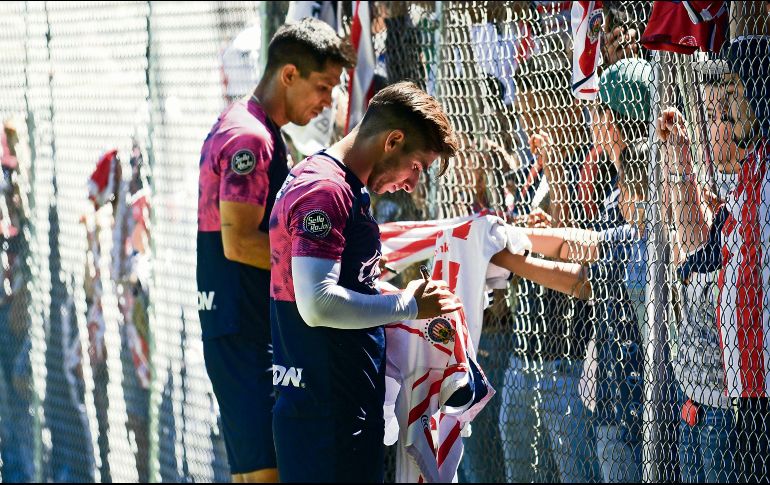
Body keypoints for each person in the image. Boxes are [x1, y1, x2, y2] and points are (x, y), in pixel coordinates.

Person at [268, 81, 461, 482]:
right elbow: (317, 304)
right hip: (325, 416)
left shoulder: (339, 185)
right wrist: (408, 306)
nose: (411, 185)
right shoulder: (325, 189)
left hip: (335, 409)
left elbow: (337, 280)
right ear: (393, 140)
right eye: (417, 168)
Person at [196, 18, 355, 483]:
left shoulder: (248, 124)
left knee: (253, 473)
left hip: (236, 323)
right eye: (323, 87)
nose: (328, 101)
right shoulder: (252, 136)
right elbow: (239, 239)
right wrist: (321, 275)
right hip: (244, 326)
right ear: (289, 75)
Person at [493, 138, 651, 482]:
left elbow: (578, 278)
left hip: (634, 409)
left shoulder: (644, 240)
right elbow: (573, 245)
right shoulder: (630, 236)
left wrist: (507, 253)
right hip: (621, 404)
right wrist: (511, 239)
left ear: (627, 194)